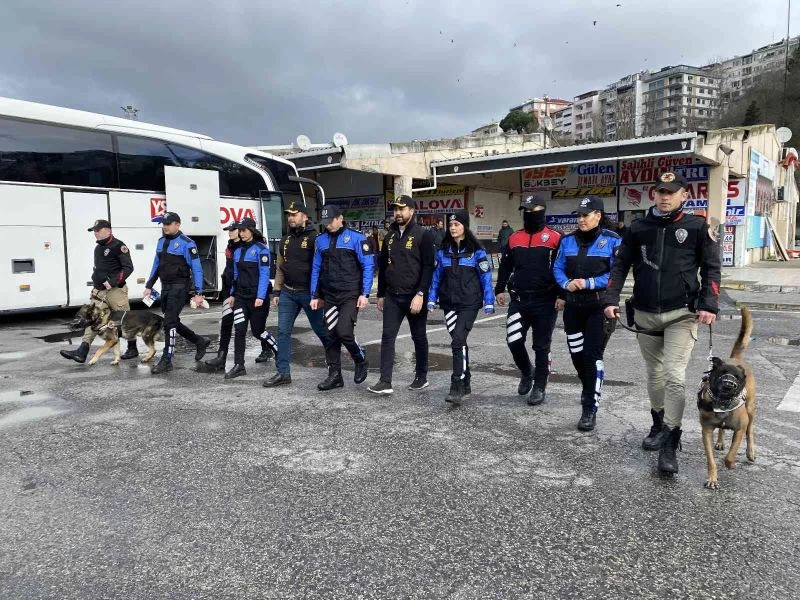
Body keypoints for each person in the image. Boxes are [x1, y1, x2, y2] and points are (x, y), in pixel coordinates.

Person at [604, 171, 720, 474]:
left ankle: (670, 440)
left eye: (671, 192)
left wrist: (709, 303)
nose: (665, 197)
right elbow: (620, 265)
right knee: (654, 374)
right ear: (653, 194)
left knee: (674, 376)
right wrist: (610, 298)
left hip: (681, 312)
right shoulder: (638, 227)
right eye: (659, 192)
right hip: (644, 312)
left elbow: (711, 268)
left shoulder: (696, 226)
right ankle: (657, 424)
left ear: (684, 195)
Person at [553, 196, 622, 431]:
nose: (581, 219)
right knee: (576, 356)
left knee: (592, 356)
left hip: (599, 307)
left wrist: (589, 282)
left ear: (598, 216)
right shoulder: (567, 240)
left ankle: (589, 408)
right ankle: (589, 386)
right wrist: (565, 284)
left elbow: (616, 273)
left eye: (586, 215)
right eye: (579, 215)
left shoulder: (612, 241)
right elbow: (558, 267)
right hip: (573, 308)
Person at [495, 195, 562, 405]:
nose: (528, 214)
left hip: (546, 301)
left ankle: (539, 386)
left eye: (533, 210)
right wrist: (499, 289)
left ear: (542, 211)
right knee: (513, 340)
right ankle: (527, 371)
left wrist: (562, 295)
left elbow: (562, 268)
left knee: (541, 347)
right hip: (519, 301)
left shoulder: (555, 237)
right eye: (526, 210)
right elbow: (505, 266)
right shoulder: (515, 237)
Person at [368, 195, 435, 394]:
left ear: (411, 211)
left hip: (414, 297)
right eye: (396, 209)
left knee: (419, 337)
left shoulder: (423, 235)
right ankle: (385, 381)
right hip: (393, 296)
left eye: (402, 209)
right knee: (387, 337)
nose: (398, 213)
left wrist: (421, 294)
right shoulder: (389, 236)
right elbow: (383, 265)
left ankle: (421, 376)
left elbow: (428, 267)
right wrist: (380, 294)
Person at [428, 210, 495, 406]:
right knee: (460, 342)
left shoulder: (477, 251)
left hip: (469, 304)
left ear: (464, 226)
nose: (453, 228)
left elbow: (485, 278)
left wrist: (488, 301)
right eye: (451, 225)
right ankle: (466, 378)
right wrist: (432, 299)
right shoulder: (442, 251)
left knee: (457, 341)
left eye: (457, 224)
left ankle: (456, 384)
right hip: (448, 304)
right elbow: (436, 277)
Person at [263, 201, 331, 388]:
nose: (291, 217)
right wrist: (277, 290)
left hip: (309, 294)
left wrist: (320, 294)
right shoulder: (285, 240)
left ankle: (334, 366)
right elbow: (280, 267)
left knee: (321, 331)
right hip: (288, 293)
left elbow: (322, 267)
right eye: (289, 214)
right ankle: (283, 372)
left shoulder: (315, 238)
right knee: (283, 332)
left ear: (304, 216)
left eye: (295, 214)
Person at [310, 205, 374, 391]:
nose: (328, 225)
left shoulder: (356, 238)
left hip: (350, 294)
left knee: (344, 332)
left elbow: (368, 266)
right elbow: (316, 268)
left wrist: (365, 293)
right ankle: (335, 375)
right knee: (330, 334)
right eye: (325, 222)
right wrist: (315, 294)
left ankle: (360, 359)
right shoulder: (320, 240)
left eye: (330, 221)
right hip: (330, 295)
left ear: (340, 218)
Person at [61, 219, 137, 363]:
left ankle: (132, 348)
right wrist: (95, 288)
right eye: (94, 231)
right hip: (100, 291)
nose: (95, 233)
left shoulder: (119, 246)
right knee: (91, 318)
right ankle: (82, 351)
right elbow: (98, 271)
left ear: (108, 230)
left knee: (124, 320)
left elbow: (128, 268)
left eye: (98, 230)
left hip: (116, 291)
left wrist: (113, 281)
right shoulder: (98, 248)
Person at [144, 211, 210, 374]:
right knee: (171, 320)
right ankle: (199, 341)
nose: (165, 227)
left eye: (168, 224)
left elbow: (197, 269)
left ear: (177, 224)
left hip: (180, 287)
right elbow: (156, 264)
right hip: (165, 286)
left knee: (169, 323)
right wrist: (149, 284)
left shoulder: (187, 243)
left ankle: (167, 360)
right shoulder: (161, 242)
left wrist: (199, 292)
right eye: (163, 224)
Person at [221, 218, 276, 379]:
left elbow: (265, 274)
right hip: (240, 298)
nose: (241, 233)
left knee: (258, 331)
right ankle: (239, 365)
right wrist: (232, 294)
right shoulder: (237, 251)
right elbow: (236, 276)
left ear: (252, 230)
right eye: (240, 230)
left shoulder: (261, 249)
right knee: (239, 330)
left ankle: (276, 348)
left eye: (244, 230)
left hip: (257, 298)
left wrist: (260, 296)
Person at [203, 221, 241, 372]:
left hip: (242, 292)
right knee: (226, 324)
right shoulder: (230, 245)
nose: (230, 232)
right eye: (228, 230)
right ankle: (221, 359)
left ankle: (268, 348)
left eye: (233, 230)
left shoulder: (247, 246)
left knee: (254, 327)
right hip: (228, 291)